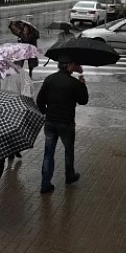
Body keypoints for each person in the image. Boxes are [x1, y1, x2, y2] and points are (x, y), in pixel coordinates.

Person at [35, 56, 89, 194]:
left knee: (48, 153)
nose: (76, 66)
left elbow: (40, 100)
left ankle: (45, 184)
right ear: (68, 66)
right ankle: (69, 175)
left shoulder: (50, 79)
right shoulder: (73, 83)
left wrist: (47, 112)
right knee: (68, 150)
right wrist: (82, 84)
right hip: (66, 123)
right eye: (74, 64)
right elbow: (83, 100)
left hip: (50, 122)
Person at [0, 60, 33, 160]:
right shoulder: (23, 74)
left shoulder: (1, 73)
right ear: (20, 62)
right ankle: (14, 149)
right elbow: (28, 92)